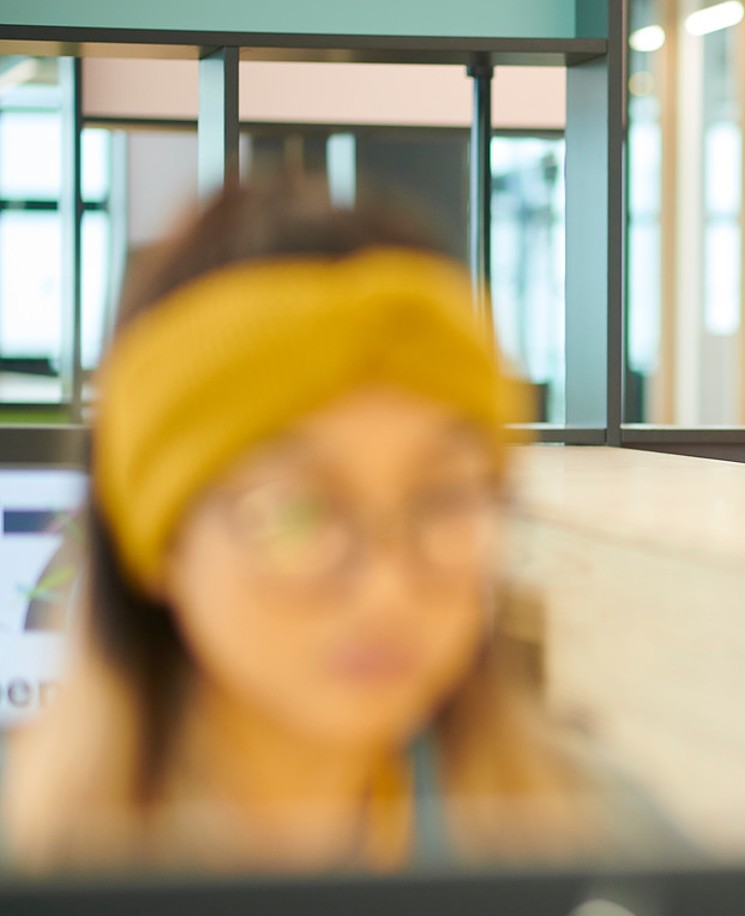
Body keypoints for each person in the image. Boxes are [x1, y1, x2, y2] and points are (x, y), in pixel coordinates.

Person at [0, 181, 664, 873]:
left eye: (442, 502)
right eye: (297, 513)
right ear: (158, 543)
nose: (385, 590)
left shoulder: (603, 856)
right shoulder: (29, 872)